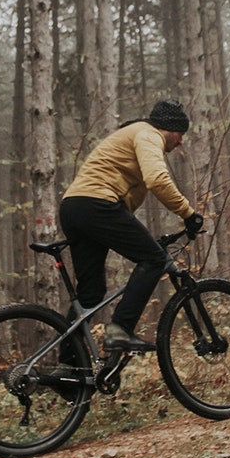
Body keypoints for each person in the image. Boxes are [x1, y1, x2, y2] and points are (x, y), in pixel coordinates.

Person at [58, 99, 206, 353]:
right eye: (180, 134)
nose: (181, 141)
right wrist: (188, 214)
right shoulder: (149, 134)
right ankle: (120, 330)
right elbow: (157, 180)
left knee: (90, 294)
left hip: (75, 207)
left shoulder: (134, 134)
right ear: (167, 129)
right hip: (97, 204)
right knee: (155, 260)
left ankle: (69, 367)